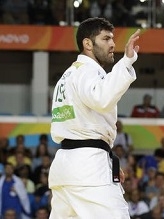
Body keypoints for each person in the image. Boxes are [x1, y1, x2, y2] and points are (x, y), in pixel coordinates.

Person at [48, 17, 140, 219]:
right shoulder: (87, 71)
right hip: (87, 170)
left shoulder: (68, 75)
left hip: (67, 167)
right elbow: (102, 98)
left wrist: (106, 161)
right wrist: (127, 61)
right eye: (106, 38)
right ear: (87, 43)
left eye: (112, 39)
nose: (113, 44)